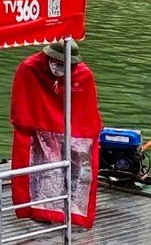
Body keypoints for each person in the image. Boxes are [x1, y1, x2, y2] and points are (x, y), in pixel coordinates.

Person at [11, 40, 101, 229]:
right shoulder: (29, 69)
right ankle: (37, 209)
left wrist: (80, 134)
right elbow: (22, 103)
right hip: (38, 126)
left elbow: (87, 111)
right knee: (41, 170)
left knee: (77, 168)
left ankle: (70, 210)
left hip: (71, 130)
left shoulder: (83, 75)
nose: (59, 67)